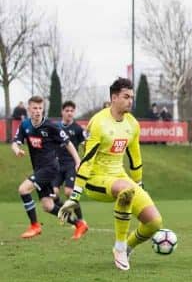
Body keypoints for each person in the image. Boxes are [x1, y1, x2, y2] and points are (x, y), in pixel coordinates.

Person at [58, 78, 164, 271]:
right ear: (114, 98)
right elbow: (87, 161)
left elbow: (135, 158)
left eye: (132, 97)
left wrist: (139, 185)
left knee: (154, 222)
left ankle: (128, 247)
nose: (130, 100)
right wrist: (75, 195)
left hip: (119, 176)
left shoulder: (132, 124)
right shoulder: (98, 123)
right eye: (126, 97)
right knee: (125, 190)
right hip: (95, 179)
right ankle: (120, 247)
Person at [12, 96, 84, 239]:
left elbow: (68, 143)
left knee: (23, 189)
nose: (37, 111)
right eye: (34, 108)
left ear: (43, 109)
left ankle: (35, 226)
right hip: (39, 169)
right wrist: (17, 150)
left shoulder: (51, 126)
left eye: (40, 108)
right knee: (48, 206)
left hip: (50, 168)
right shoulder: (25, 125)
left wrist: (77, 161)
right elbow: (15, 142)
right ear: (29, 109)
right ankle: (79, 224)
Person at [51, 100, 89, 239]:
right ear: (62, 112)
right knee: (53, 194)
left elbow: (86, 143)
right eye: (67, 110)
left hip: (71, 165)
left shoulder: (78, 129)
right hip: (56, 165)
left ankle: (81, 219)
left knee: (68, 192)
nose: (69, 113)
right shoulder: (55, 128)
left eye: (72, 111)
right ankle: (66, 213)